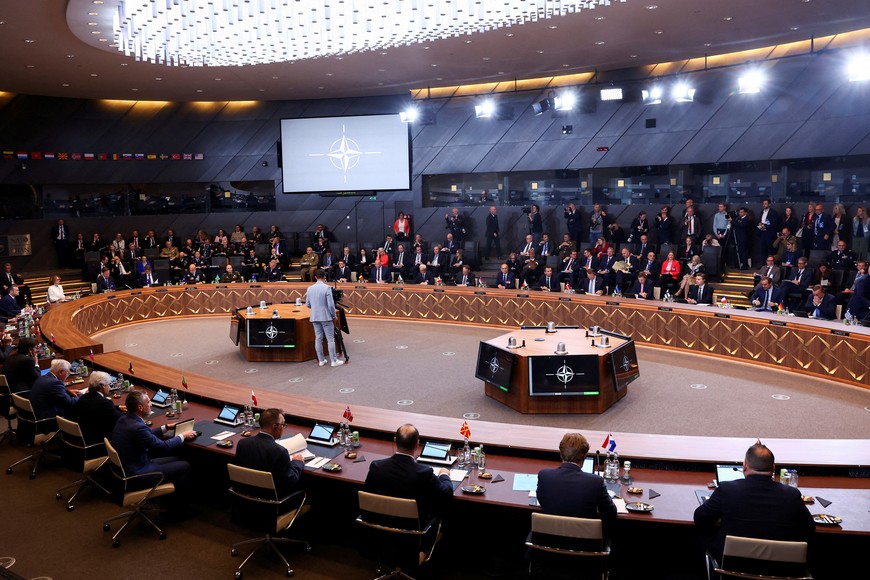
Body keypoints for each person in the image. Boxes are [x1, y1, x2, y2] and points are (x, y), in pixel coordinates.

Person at [694, 442, 815, 564]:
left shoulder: (727, 490)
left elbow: (700, 518)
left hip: (731, 567)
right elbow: (809, 529)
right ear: (773, 469)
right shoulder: (791, 495)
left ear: (744, 466)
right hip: (779, 569)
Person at [110, 390, 195, 493]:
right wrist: (183, 436)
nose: (151, 404)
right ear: (140, 407)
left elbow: (146, 435)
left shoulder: (124, 419)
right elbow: (163, 446)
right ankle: (176, 507)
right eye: (148, 402)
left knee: (177, 458)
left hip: (129, 468)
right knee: (185, 466)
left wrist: (166, 427)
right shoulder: (138, 428)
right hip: (138, 474)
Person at [363, 424, 453, 522]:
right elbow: (446, 493)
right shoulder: (423, 473)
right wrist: (444, 474)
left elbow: (367, 496)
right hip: (413, 531)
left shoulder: (376, 467)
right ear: (417, 445)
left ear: (395, 441)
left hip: (379, 526)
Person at [536, 433, 617, 534]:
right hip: (585, 545)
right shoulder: (596, 482)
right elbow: (611, 512)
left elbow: (542, 501)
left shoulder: (544, 476)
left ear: (561, 454)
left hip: (548, 541)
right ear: (584, 457)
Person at [234, 408, 304, 496]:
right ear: (275, 426)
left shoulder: (243, 443)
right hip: (270, 503)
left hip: (243, 497)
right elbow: (290, 482)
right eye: (283, 425)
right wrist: (297, 462)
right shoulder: (280, 452)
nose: (283, 428)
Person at [71, 371, 123, 445]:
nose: (110, 387)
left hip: (84, 436)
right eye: (109, 384)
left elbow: (98, 408)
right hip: (99, 441)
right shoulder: (105, 403)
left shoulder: (83, 397)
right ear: (103, 386)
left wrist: (118, 407)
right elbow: (120, 419)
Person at [305, 269, 343, 367]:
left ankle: (321, 360)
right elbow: (330, 305)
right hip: (326, 316)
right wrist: (334, 316)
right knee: (330, 339)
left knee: (318, 338)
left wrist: (315, 308)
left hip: (314, 316)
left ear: (315, 277)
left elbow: (308, 304)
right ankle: (334, 360)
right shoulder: (327, 288)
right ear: (324, 277)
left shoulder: (309, 288)